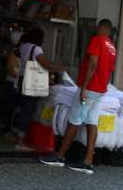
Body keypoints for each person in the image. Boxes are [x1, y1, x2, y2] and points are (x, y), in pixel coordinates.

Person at [40, 19, 117, 174]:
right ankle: (88, 161)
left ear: (99, 28)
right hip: (100, 90)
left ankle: (60, 156)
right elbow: (109, 70)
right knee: (92, 123)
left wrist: (84, 87)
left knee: (73, 121)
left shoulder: (97, 40)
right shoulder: (112, 47)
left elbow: (93, 64)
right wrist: (103, 86)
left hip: (90, 88)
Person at [14, 26, 64, 151]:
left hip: (22, 79)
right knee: (28, 110)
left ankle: (19, 137)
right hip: (32, 82)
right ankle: (20, 142)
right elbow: (44, 64)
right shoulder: (36, 49)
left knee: (23, 108)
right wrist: (60, 68)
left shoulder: (24, 46)